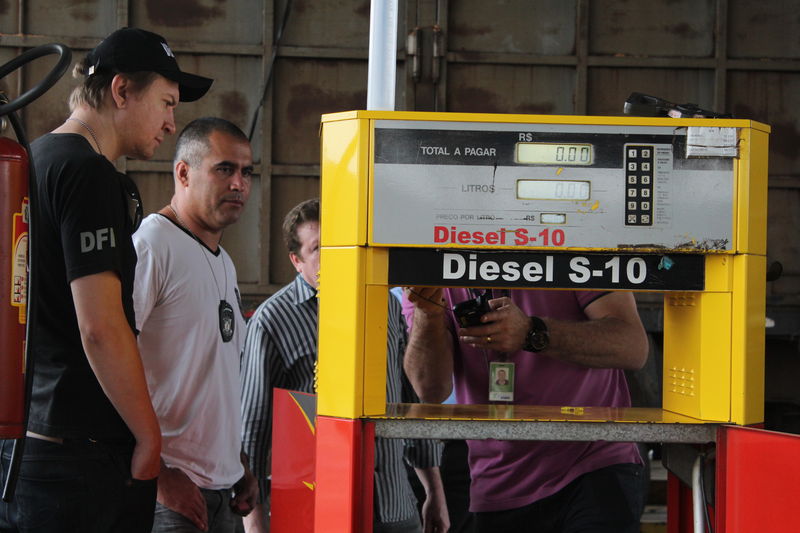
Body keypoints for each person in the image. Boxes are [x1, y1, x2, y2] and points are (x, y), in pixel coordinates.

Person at [0, 27, 211, 532]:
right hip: (78, 463)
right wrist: (149, 439)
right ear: (121, 92)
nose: (171, 122)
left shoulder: (39, 159)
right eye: (165, 102)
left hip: (26, 449)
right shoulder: (88, 172)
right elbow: (99, 325)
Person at [240, 198, 450, 533]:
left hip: (394, 507)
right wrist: (254, 524)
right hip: (314, 511)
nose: (334, 256)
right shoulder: (272, 321)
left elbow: (409, 401)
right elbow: (254, 427)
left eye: (339, 243)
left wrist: (434, 492)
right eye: (319, 248)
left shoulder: (383, 305)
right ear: (297, 260)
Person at [402, 286, 649, 533]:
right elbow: (430, 389)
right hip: (498, 478)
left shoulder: (575, 250)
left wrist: (533, 332)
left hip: (593, 461)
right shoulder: (432, 274)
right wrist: (429, 312)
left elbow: (633, 347)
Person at [133, 117, 258, 532]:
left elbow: (211, 377)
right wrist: (157, 477)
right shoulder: (153, 244)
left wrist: (235, 461)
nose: (239, 183)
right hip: (170, 495)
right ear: (183, 173)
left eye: (246, 172)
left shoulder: (224, 262)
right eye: (225, 169)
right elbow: (103, 362)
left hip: (223, 492)